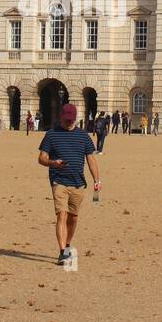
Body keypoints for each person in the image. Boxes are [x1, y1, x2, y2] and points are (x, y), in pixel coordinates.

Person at [37, 103, 101, 267]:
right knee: (62, 215)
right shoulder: (51, 135)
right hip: (59, 181)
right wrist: (53, 163)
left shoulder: (84, 136)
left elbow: (91, 159)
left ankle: (67, 244)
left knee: (73, 217)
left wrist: (96, 180)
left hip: (78, 183)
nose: (68, 122)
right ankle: (62, 253)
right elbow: (41, 158)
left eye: (71, 120)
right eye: (66, 120)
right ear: (61, 117)